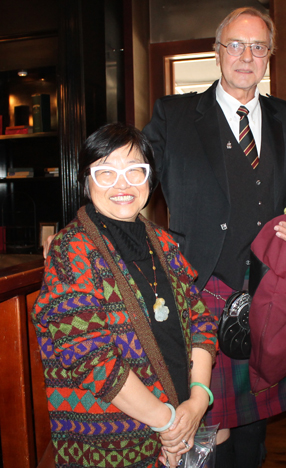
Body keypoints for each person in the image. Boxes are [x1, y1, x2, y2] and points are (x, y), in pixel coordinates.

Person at [143, 7, 286, 468]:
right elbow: (130, 175)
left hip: (271, 288)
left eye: (258, 46)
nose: (246, 56)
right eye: (236, 45)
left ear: (269, 55)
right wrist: (82, 225)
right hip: (201, 287)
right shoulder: (175, 113)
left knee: (253, 430)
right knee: (209, 427)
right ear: (217, 50)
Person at [32, 123, 217, 468]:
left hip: (183, 419)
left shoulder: (163, 242)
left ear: (150, 178)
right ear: (86, 182)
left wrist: (197, 401)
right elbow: (88, 355)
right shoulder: (70, 250)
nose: (123, 183)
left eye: (135, 170)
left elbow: (200, 321)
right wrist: (167, 423)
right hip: (114, 440)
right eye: (105, 171)